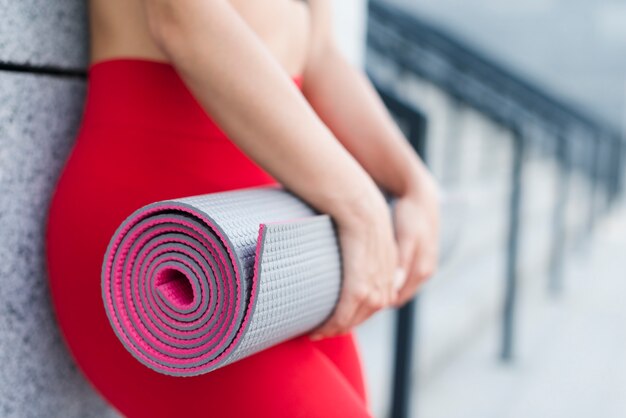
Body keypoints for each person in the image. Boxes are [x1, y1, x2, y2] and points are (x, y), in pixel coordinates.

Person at [45, 0, 440, 416]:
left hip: (272, 264)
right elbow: (185, 20)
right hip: (153, 255)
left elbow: (319, 52)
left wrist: (414, 182)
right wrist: (361, 207)